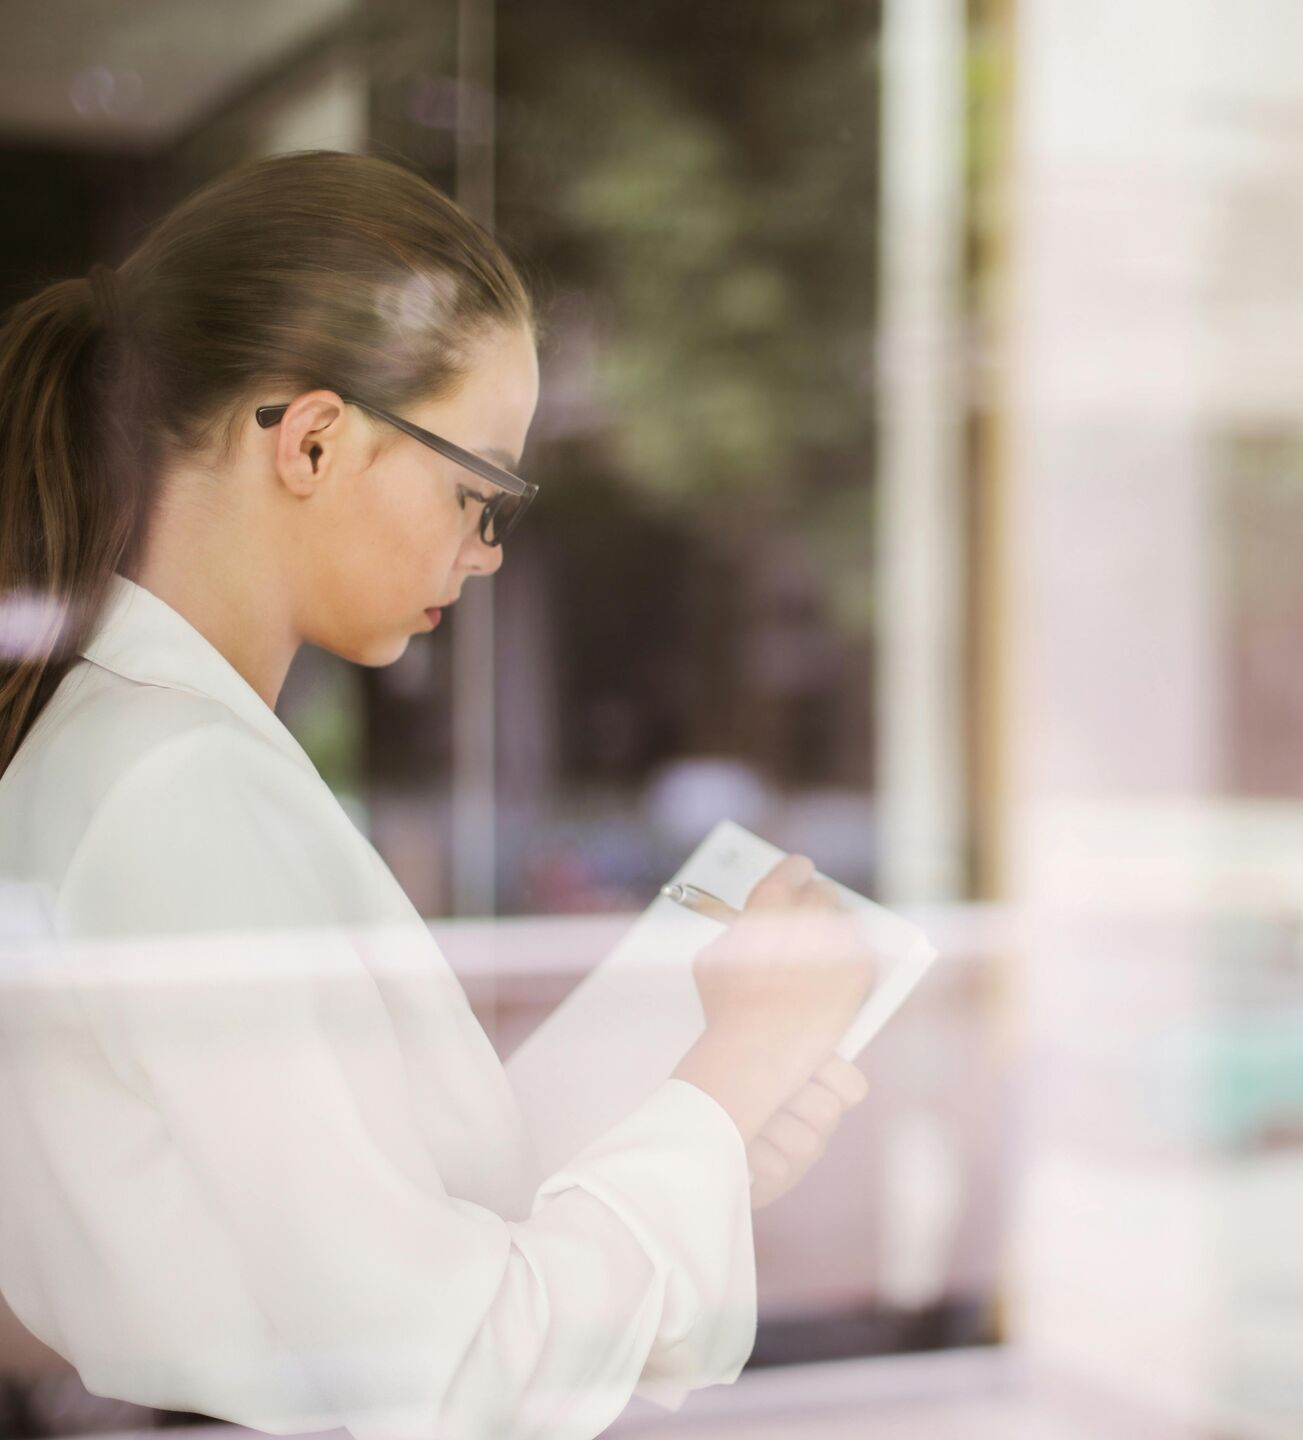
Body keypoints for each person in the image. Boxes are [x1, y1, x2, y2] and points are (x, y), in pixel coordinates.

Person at [0, 149, 878, 1438]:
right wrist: (737, 1066)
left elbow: (385, 1265)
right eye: (481, 490)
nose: (483, 552)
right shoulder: (176, 784)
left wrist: (705, 1135)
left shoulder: (145, 750)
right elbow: (449, 1377)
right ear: (311, 438)